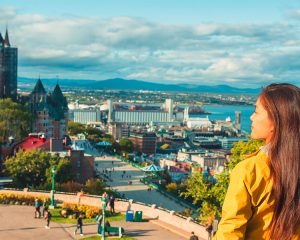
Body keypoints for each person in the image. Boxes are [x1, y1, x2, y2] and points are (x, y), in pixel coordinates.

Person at [214, 84, 300, 240]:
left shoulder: (250, 170)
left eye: (256, 111)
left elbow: (230, 230)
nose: (252, 117)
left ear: (276, 120)